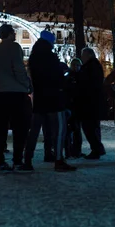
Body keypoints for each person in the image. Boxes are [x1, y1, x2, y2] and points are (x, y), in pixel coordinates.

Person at [25, 30, 76, 172]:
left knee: (34, 130)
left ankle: (27, 159)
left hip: (40, 98)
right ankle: (59, 159)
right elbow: (57, 77)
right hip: (54, 98)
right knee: (60, 129)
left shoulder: (34, 58)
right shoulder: (51, 58)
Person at [0, 24, 33, 172]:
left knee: (0, 130)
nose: (14, 35)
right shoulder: (14, 47)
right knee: (20, 129)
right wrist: (26, 84)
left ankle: (0, 162)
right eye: (13, 33)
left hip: (0, 94)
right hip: (16, 93)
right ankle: (17, 161)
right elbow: (18, 68)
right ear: (10, 34)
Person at [76, 47, 107, 159]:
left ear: (89, 55)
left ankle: (97, 148)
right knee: (92, 127)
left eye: (83, 55)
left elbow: (86, 84)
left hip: (90, 103)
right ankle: (97, 148)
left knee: (89, 126)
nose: (82, 57)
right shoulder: (94, 66)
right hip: (92, 102)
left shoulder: (90, 67)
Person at [64, 58, 83, 158]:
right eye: (74, 65)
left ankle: (76, 150)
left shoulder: (82, 76)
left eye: (77, 65)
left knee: (76, 130)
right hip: (70, 106)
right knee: (69, 130)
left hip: (77, 107)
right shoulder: (68, 76)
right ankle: (69, 150)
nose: (75, 67)